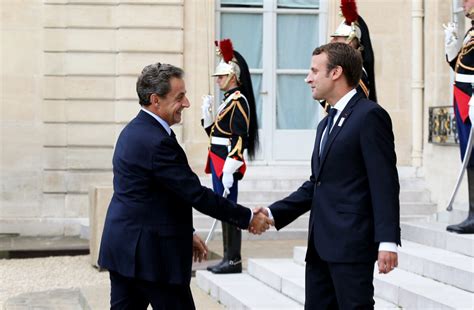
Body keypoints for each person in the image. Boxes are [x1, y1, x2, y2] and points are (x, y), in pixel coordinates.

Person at [98, 63, 271, 309]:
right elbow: (195, 193)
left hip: (126, 249)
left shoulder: (133, 131)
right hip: (154, 257)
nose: (187, 103)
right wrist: (246, 217)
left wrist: (186, 232)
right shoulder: (157, 142)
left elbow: (157, 194)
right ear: (155, 100)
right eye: (180, 97)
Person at [256, 43, 400, 309]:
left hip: (351, 245)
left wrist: (387, 241)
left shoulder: (370, 116)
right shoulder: (326, 122)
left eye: (314, 71)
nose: (308, 78)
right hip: (320, 245)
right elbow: (317, 184)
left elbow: (384, 183)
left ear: (336, 73)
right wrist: (273, 213)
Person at [201, 39, 259, 274]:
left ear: (233, 76)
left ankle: (233, 259)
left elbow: (238, 138)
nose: (218, 80)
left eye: (221, 76)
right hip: (217, 158)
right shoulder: (228, 101)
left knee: (229, 208)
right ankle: (228, 257)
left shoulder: (238, 101)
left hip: (226, 162)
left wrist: (230, 168)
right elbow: (215, 133)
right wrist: (207, 117)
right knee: (222, 207)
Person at [443, 0, 474, 234]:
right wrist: (452, 49)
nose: (463, 4)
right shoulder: (471, 30)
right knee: (469, 156)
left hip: (471, 95)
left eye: (467, 0)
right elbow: (460, 66)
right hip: (462, 95)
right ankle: (473, 212)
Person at [322, 0, 377, 113]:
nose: (332, 42)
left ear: (350, 42)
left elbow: (351, 108)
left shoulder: (358, 73)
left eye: (337, 38)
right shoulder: (347, 70)